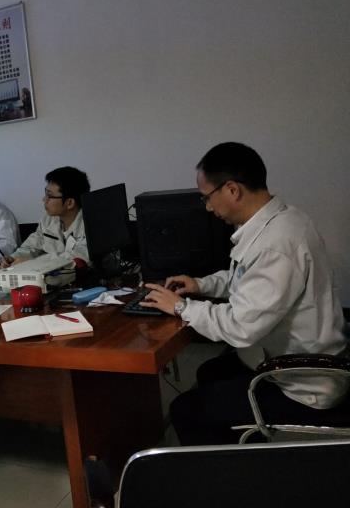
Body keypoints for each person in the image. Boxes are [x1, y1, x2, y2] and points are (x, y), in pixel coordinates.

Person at [140, 142, 348, 445]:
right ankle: (243, 449)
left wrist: (182, 307)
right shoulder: (280, 221)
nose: (208, 207)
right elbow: (247, 279)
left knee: (186, 411)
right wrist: (200, 285)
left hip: (304, 383)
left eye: (207, 197)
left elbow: (241, 327)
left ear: (232, 190)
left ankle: (236, 471)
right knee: (210, 372)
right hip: (291, 358)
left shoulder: (276, 244)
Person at [2, 167, 90, 267]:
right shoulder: (48, 219)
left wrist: (32, 263)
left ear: (69, 203)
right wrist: (14, 257)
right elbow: (31, 246)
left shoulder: (92, 224)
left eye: (50, 196)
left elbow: (76, 258)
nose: (44, 199)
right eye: (45, 194)